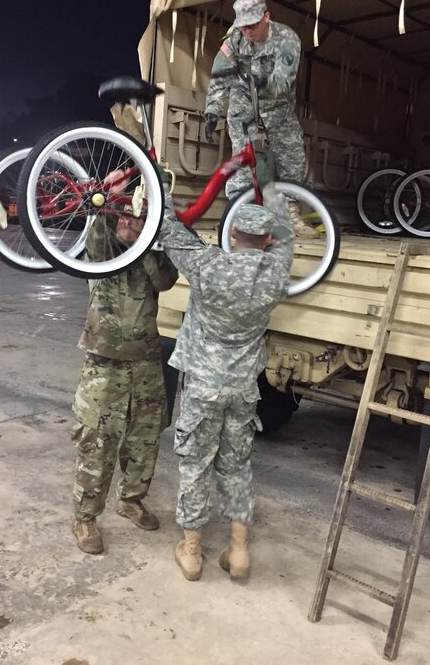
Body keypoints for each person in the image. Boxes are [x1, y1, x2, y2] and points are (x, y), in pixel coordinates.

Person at [157, 182, 293, 582]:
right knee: (236, 467)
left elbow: (166, 229)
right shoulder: (276, 275)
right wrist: (272, 191)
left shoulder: (209, 265)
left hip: (203, 385)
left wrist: (161, 185)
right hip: (243, 389)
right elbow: (285, 236)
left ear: (233, 234)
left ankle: (192, 551)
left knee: (196, 465)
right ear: (267, 240)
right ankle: (238, 550)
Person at [71, 205, 178, 555]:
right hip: (104, 364)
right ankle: (85, 518)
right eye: (126, 217)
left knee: (145, 439)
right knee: (97, 442)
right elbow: (98, 238)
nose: (130, 224)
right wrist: (108, 214)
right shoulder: (102, 255)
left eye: (138, 219)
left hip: (146, 360)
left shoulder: (152, 254)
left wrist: (144, 241)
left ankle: (131, 500)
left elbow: (165, 279)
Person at [203, 0, 318, 237]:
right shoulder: (234, 40)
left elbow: (282, 83)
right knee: (242, 165)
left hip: (278, 112)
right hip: (244, 111)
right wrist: (213, 109)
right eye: (242, 26)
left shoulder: (287, 39)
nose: (247, 32)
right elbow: (219, 77)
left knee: (292, 162)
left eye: (252, 26)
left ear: (266, 16)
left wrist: (256, 80)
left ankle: (290, 217)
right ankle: (237, 217)